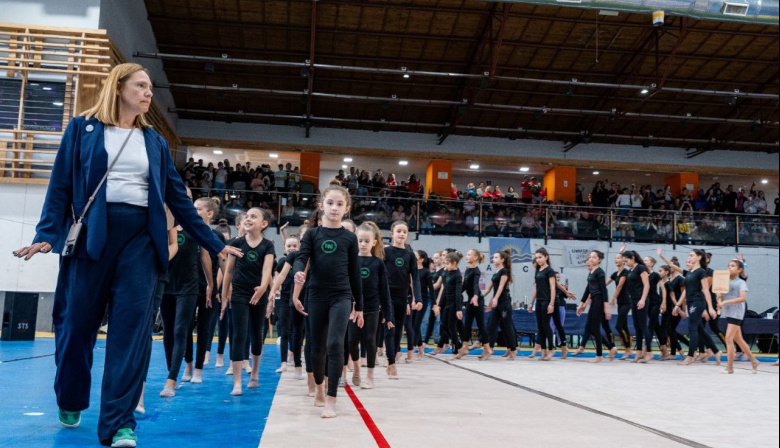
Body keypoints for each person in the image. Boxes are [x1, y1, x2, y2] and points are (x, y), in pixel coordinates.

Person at [14, 63, 240, 448]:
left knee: (131, 334)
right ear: (118, 88)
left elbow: (179, 201)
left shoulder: (153, 141)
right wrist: (47, 235)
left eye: (150, 87)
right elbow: (60, 187)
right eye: (141, 85)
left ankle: (119, 424)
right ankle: (70, 398)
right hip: (91, 236)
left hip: (141, 240)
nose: (149, 93)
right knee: (74, 327)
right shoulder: (82, 129)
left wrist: (215, 244)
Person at [292, 186, 364, 418]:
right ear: (322, 205)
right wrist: (298, 272)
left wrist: (359, 305)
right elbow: (301, 258)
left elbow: (354, 273)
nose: (334, 208)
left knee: (335, 344)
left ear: (347, 208)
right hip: (316, 295)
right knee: (317, 346)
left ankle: (331, 399)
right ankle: (319, 389)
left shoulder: (350, 238)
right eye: (330, 203)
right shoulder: (312, 235)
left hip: (341, 295)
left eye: (340, 204)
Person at [160, 192, 214, 398]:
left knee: (181, 329)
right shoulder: (164, 222)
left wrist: (210, 284)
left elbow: (205, 254)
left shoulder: (194, 225)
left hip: (189, 286)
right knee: (168, 331)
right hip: (166, 283)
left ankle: (171, 380)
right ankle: (170, 372)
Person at [221, 208, 276, 396]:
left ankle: (255, 373)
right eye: (247, 216)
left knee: (256, 335)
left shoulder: (268, 245)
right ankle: (237, 382)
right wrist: (224, 297)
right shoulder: (236, 243)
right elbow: (228, 272)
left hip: (258, 294)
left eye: (254, 216)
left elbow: (267, 269)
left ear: (263, 224)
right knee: (238, 335)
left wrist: (263, 289)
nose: (248, 218)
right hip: (240, 294)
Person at [349, 222, 394, 389]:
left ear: (373, 242)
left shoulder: (378, 263)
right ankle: (356, 369)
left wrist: (388, 315)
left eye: (367, 241)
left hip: (372, 307)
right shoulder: (351, 261)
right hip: (353, 308)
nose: (363, 244)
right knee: (352, 340)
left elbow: (384, 290)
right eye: (360, 240)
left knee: (369, 340)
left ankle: (370, 376)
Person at [383, 221, 422, 377]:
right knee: (390, 328)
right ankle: (391, 363)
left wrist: (417, 298)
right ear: (392, 233)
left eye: (404, 232)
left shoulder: (410, 255)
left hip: (402, 297)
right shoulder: (386, 252)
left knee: (399, 331)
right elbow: (380, 275)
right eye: (398, 231)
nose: (401, 234)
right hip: (387, 296)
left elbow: (415, 279)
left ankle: (392, 355)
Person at [676, 250, 721, 366]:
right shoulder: (690, 273)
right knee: (700, 329)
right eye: (689, 255)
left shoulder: (701, 272)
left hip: (698, 302)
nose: (689, 257)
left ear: (698, 257)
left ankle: (690, 356)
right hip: (691, 302)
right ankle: (716, 351)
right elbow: (685, 291)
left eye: (691, 255)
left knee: (692, 328)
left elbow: (706, 290)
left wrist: (710, 308)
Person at [717, 260, 760, 374]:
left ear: (739, 270)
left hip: (737, 312)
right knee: (739, 340)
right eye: (728, 266)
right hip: (729, 312)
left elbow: (742, 298)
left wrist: (725, 302)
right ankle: (754, 361)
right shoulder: (725, 282)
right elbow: (720, 296)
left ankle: (730, 367)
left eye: (733, 266)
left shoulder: (741, 283)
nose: (729, 268)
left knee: (728, 339)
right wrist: (719, 296)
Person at [267, 234, 301, 374]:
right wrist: (274, 294)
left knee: (297, 331)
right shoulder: (282, 262)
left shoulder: (301, 261)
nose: (292, 248)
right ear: (284, 248)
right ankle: (283, 362)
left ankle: (295, 356)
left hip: (298, 299)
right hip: (284, 299)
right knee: (285, 331)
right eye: (289, 246)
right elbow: (278, 278)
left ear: (299, 247)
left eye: (295, 246)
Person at [576, 251, 617, 363]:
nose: (591, 259)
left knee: (594, 328)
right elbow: (587, 289)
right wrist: (581, 305)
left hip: (599, 300)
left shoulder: (600, 272)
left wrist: (606, 307)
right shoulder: (591, 272)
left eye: (594, 257)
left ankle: (599, 355)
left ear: (599, 260)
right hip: (594, 300)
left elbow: (604, 290)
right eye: (590, 257)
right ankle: (611, 348)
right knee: (590, 327)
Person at [480, 251, 518, 361]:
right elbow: (488, 289)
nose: (494, 259)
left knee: (507, 326)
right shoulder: (495, 273)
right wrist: (480, 296)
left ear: (502, 260)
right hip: (496, 303)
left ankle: (513, 348)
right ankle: (489, 349)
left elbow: (501, 287)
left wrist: (495, 299)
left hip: (504, 302)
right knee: (491, 326)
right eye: (494, 257)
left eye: (496, 257)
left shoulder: (504, 271)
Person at [433, 252, 468, 360]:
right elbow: (444, 291)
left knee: (452, 327)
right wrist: (439, 305)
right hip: (447, 303)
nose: (446, 266)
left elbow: (458, 293)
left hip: (454, 304)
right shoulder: (446, 272)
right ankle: (459, 344)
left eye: (447, 264)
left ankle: (455, 350)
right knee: (444, 326)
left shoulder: (457, 275)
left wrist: (459, 309)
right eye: (445, 264)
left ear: (454, 263)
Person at [621, 251, 653, 363]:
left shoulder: (641, 268)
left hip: (641, 300)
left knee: (643, 326)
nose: (625, 263)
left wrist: (643, 299)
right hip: (633, 300)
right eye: (624, 261)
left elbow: (646, 284)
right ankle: (638, 352)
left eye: (627, 261)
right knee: (637, 327)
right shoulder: (630, 270)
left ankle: (649, 352)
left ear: (633, 258)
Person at [528, 248, 557, 361]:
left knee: (546, 325)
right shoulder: (538, 270)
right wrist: (531, 302)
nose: (538, 260)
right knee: (540, 327)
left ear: (546, 257)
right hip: (539, 301)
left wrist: (551, 303)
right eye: (537, 257)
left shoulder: (549, 271)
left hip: (546, 300)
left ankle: (551, 349)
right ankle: (543, 350)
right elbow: (536, 288)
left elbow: (553, 288)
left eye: (540, 257)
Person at [463, 250, 488, 350]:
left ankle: (487, 348)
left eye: (469, 255)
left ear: (475, 257)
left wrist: (476, 296)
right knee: (467, 324)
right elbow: (464, 286)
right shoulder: (467, 270)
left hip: (477, 300)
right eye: (467, 254)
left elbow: (475, 284)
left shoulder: (476, 271)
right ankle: (464, 347)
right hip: (470, 300)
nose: (466, 256)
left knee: (480, 324)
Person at [414, 250, 434, 360]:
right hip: (412, 299)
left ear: (421, 260)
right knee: (412, 325)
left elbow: (431, 289)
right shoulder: (411, 270)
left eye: (415, 256)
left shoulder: (426, 272)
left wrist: (434, 304)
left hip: (422, 300)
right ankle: (417, 349)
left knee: (416, 325)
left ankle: (419, 349)